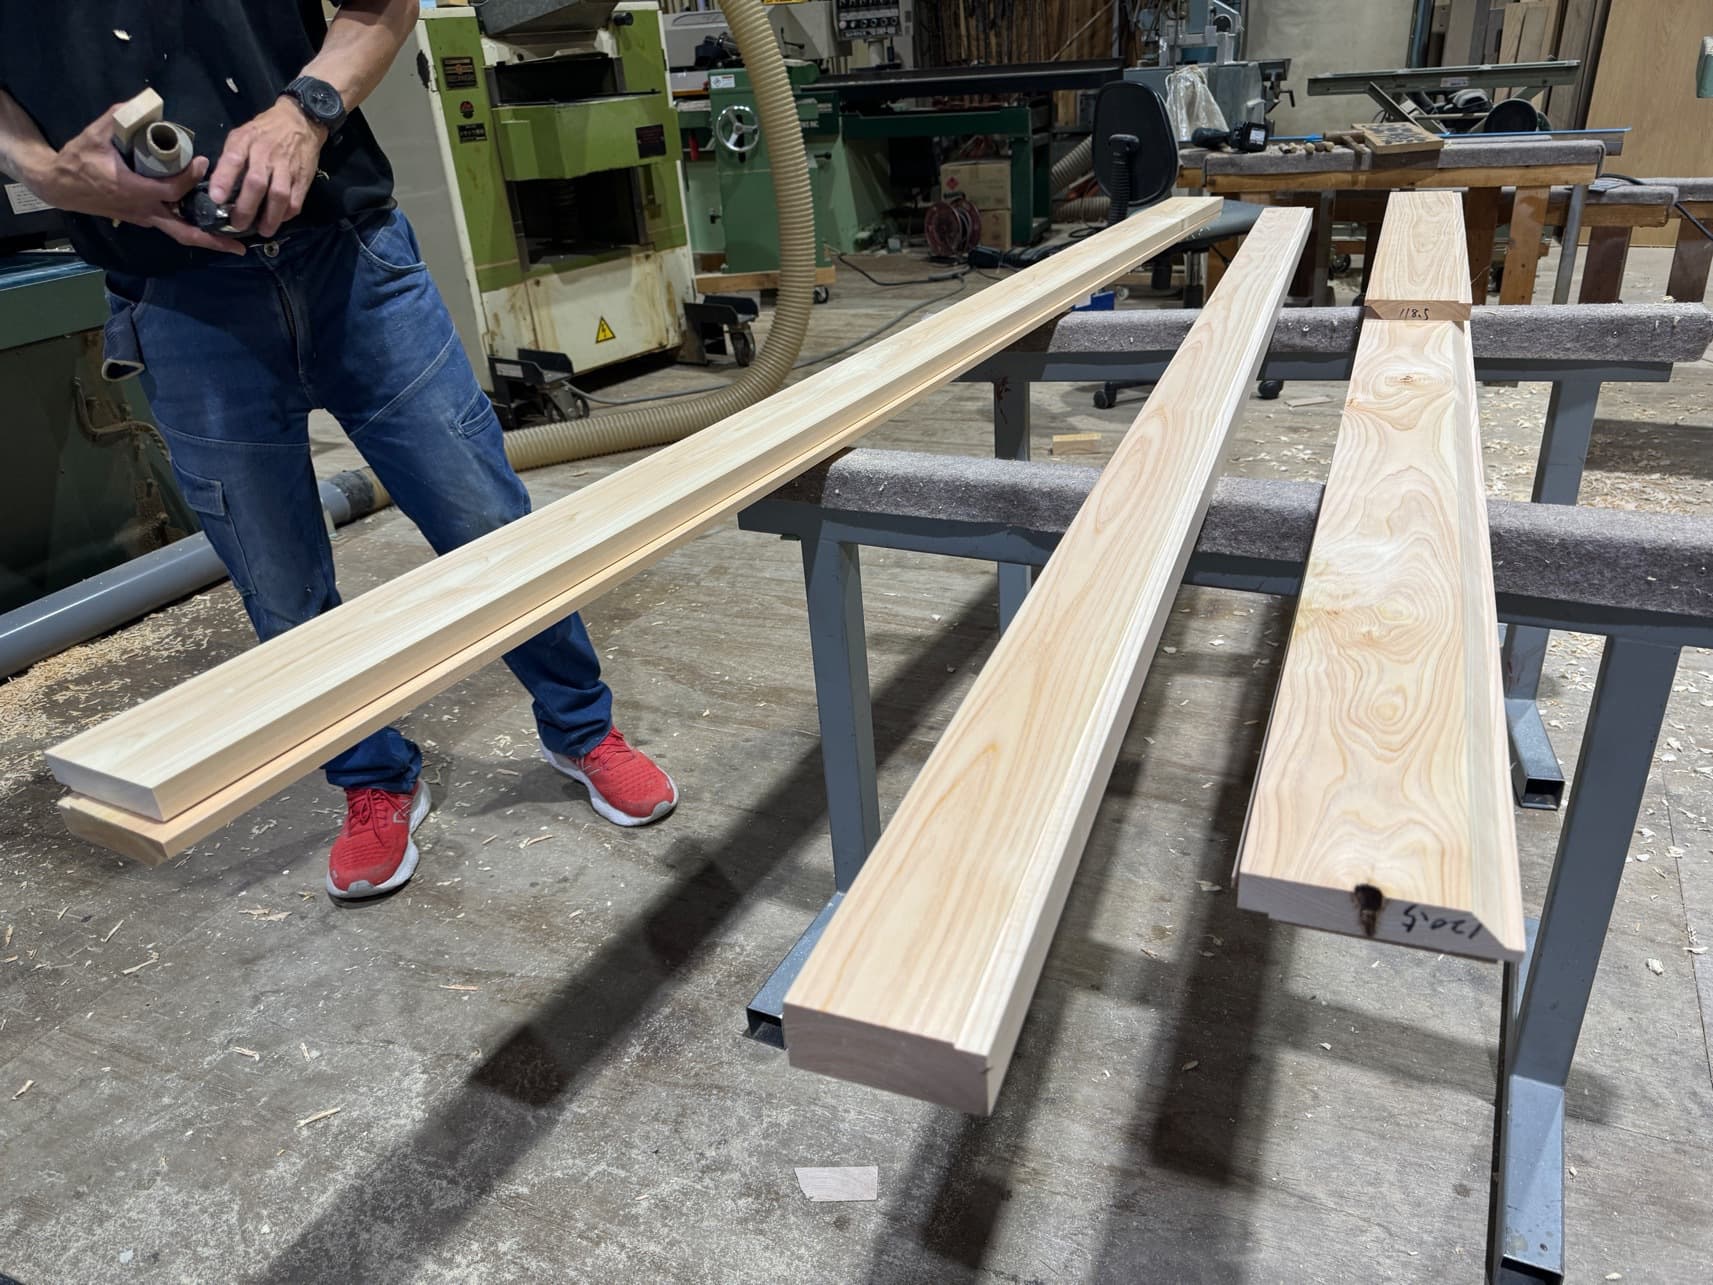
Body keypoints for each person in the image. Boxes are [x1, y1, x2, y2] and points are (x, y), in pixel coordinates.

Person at [0, 2, 677, 899]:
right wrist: (40, 167)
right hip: (177, 298)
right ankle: (371, 778)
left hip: (347, 255)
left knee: (487, 523)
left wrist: (305, 109)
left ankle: (581, 727)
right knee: (279, 580)